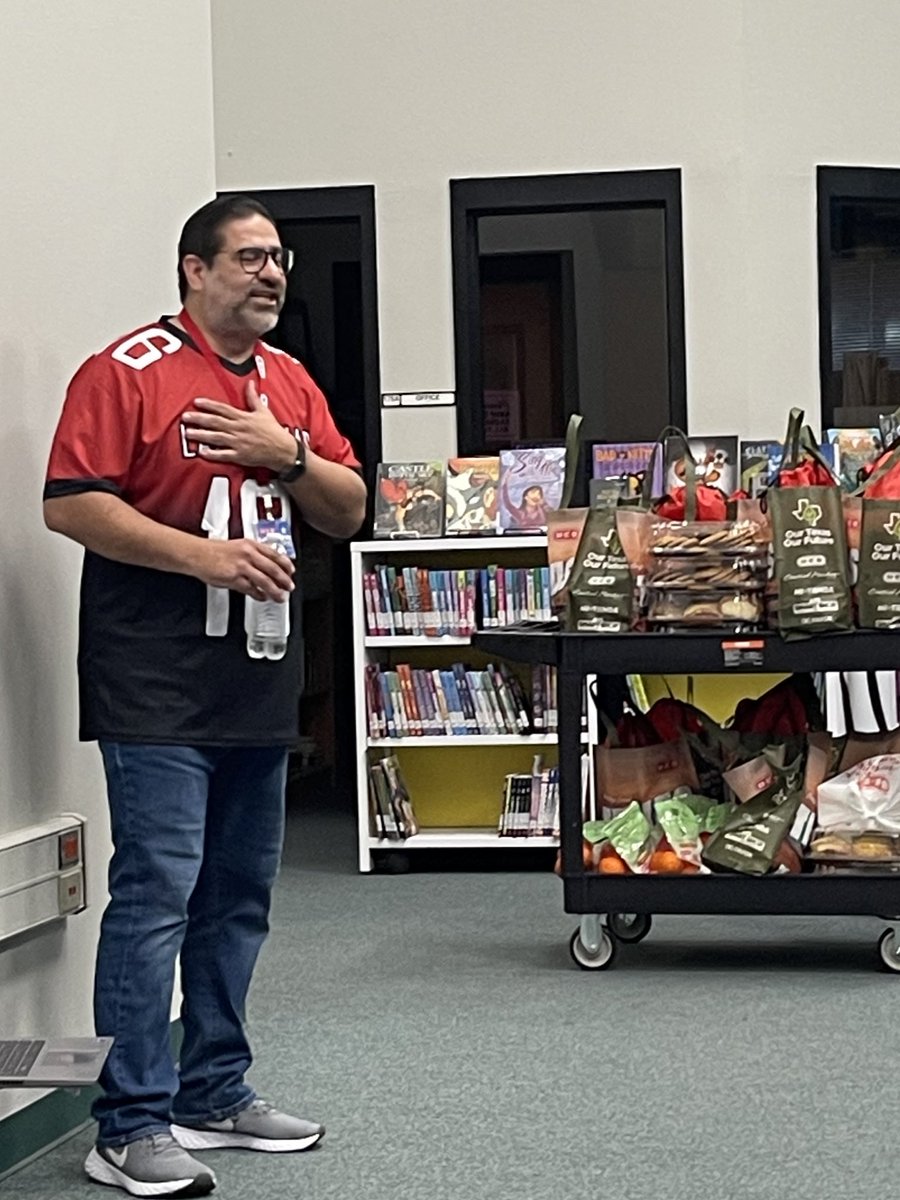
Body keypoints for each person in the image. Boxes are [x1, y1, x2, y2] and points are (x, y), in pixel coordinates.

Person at [43, 195, 367, 1197]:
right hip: (155, 682)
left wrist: (289, 454)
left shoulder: (289, 383)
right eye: (250, 257)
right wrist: (205, 560)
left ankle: (213, 1090)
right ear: (195, 269)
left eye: (280, 259)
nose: (271, 274)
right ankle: (126, 1125)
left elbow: (350, 509)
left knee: (238, 899)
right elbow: (71, 502)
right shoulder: (126, 371)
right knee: (157, 897)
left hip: (259, 683)